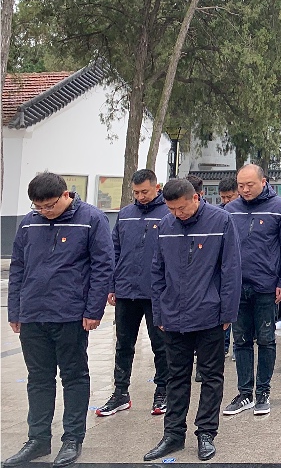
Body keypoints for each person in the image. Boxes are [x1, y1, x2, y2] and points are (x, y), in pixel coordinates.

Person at [5, 171, 113, 468]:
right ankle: (38, 440)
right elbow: (18, 267)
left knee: (74, 376)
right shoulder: (29, 223)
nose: (44, 212)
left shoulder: (91, 219)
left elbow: (103, 267)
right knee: (38, 378)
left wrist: (93, 310)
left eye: (49, 205)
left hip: (71, 314)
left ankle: (72, 439)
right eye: (38, 207)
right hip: (33, 314)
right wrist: (15, 310)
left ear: (66, 194)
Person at [145, 177, 240, 464]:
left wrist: (227, 313)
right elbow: (157, 271)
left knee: (211, 376)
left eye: (182, 208)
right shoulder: (165, 225)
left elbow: (231, 269)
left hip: (210, 314)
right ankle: (173, 434)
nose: (177, 214)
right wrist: (159, 312)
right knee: (175, 377)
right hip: (173, 315)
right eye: (172, 209)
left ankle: (206, 433)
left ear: (196, 198)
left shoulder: (221, 221)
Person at [223, 163, 281, 419]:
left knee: (266, 340)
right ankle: (245, 393)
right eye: (240, 185)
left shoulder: (280, 208)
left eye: (250, 185)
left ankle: (263, 391)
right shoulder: (230, 210)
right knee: (241, 341)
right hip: (237, 287)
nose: (244, 190)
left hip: (267, 286)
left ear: (263, 182)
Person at [100, 169, 173, 421]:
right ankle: (120, 392)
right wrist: (112, 284)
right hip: (126, 290)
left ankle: (163, 390)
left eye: (145, 192)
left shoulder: (168, 214)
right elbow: (114, 250)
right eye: (136, 192)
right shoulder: (125, 214)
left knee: (160, 345)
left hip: (156, 293)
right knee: (123, 344)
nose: (141, 196)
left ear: (157, 187)